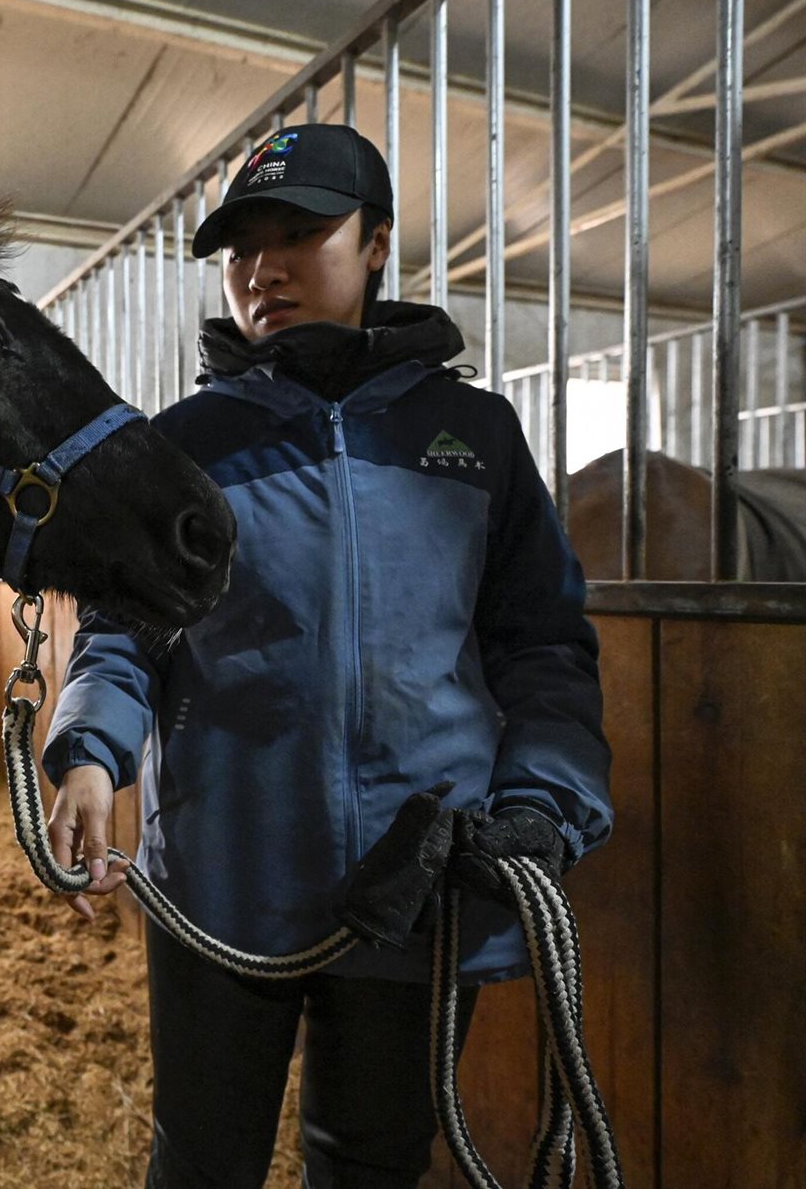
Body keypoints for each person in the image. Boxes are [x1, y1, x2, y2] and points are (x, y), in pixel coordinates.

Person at [41, 123, 612, 1188]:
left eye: (300, 234)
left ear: (377, 241)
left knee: (372, 1162)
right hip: (223, 875)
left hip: (417, 876)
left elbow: (542, 643)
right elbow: (125, 630)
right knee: (202, 1160)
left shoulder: (477, 436)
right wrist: (90, 748)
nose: (262, 269)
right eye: (240, 247)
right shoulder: (185, 443)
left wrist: (544, 799)